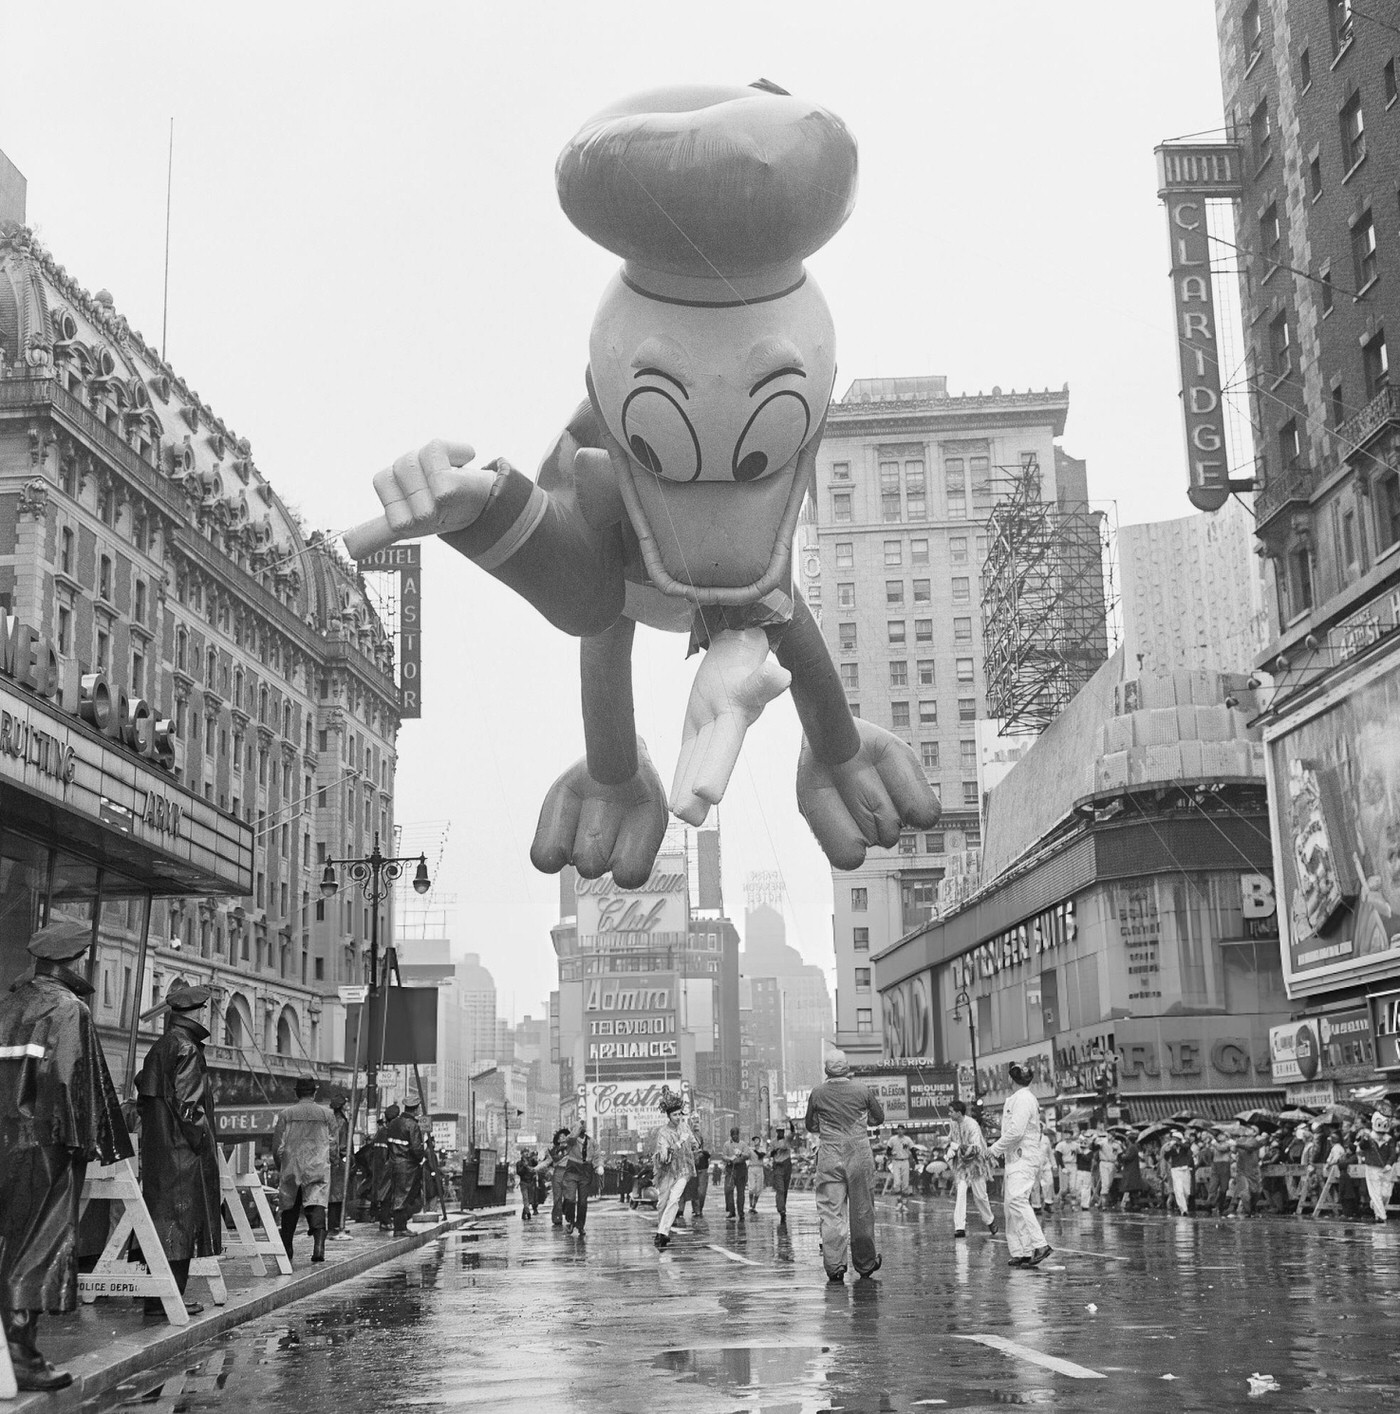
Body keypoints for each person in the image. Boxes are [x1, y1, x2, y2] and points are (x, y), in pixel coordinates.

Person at [0, 919, 132, 1392]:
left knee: (8, 1241)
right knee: (38, 1244)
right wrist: (81, 1140)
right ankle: (22, 1356)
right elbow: (64, 1078)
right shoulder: (67, 1007)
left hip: (4, 1140)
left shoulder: (8, 1003)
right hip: (43, 1144)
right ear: (74, 961)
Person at [136, 982, 221, 1319]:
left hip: (160, 1150)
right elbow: (190, 1106)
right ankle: (168, 1298)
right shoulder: (187, 1048)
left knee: (161, 1222)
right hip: (182, 1154)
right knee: (181, 1225)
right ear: (197, 1012)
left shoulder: (160, 1046)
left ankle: (157, 1297)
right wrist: (203, 1142)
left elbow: (145, 1087)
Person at [805, 1049, 884, 1283]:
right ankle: (866, 1264)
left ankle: (835, 1267)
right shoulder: (862, 1090)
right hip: (859, 1152)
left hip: (829, 1152)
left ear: (826, 1069)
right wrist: (862, 1123)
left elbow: (811, 1125)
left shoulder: (817, 1093)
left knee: (831, 1212)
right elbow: (878, 1118)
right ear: (847, 1068)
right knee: (862, 1210)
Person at [988, 1063, 1052, 1268]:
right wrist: (997, 1126)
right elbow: (1014, 1127)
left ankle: (1039, 1244)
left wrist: (994, 1149)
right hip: (1016, 1157)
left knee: (1017, 1200)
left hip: (1023, 1156)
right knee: (1010, 1206)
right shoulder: (1021, 1098)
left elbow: (1016, 1132)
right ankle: (1021, 1251)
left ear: (1010, 1079)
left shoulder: (1023, 1098)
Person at [273, 1076, 337, 1265]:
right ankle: (318, 1246)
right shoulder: (327, 1115)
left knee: (289, 1208)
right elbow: (333, 1144)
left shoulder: (286, 1114)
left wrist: (282, 1167)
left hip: (292, 1166)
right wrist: (331, 1161)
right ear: (314, 1092)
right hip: (317, 1166)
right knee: (317, 1204)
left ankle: (287, 1248)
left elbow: (277, 1146)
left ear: (297, 1092)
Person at [652, 1089, 699, 1250]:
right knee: (662, 1203)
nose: (678, 1118)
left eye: (680, 1114)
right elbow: (664, 1156)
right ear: (669, 1116)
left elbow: (695, 1144)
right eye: (675, 1115)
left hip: (684, 1169)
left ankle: (662, 1233)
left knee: (674, 1199)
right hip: (667, 1171)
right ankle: (663, 1230)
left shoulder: (685, 1127)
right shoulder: (663, 1133)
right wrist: (678, 1143)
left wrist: (694, 1136)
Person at [949, 1099, 997, 1239]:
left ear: (958, 1113)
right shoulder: (952, 1123)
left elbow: (976, 1148)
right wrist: (951, 1148)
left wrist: (959, 1147)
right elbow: (951, 1139)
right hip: (961, 1164)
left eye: (951, 1111)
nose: (949, 1114)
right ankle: (959, 1227)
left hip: (976, 1163)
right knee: (961, 1192)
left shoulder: (972, 1125)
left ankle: (990, 1220)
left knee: (980, 1195)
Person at [384, 1098, 426, 1233]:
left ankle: (399, 1226)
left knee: (397, 1194)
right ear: (415, 1109)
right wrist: (420, 1157)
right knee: (404, 1196)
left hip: (394, 1163)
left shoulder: (393, 1123)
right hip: (407, 1166)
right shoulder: (412, 1125)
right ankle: (400, 1228)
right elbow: (416, 1148)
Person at [1358, 1113, 1394, 1222]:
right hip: (1372, 1167)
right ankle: (1382, 1216)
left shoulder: (1389, 1139)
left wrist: (1389, 1163)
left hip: (1386, 1169)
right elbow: (1362, 1147)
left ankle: (1375, 1205)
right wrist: (1364, 1139)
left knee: (1386, 1194)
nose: (1380, 1134)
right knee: (1376, 1193)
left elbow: (1392, 1153)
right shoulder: (1369, 1137)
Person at [560, 1121, 591, 1236]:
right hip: (572, 1172)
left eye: (583, 1126)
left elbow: (597, 1155)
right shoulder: (571, 1140)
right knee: (570, 1199)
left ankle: (581, 1225)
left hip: (585, 1174)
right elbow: (572, 1136)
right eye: (580, 1127)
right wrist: (578, 1125)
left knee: (583, 1202)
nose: (583, 1127)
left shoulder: (591, 1141)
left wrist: (599, 1166)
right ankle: (571, 1221)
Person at [326, 1091, 351, 1237]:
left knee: (337, 1194)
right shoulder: (340, 1122)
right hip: (338, 1161)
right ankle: (334, 1225)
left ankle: (336, 1224)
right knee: (337, 1195)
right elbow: (340, 1143)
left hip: (335, 1160)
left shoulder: (334, 1120)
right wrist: (344, 1158)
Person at [1231, 1125, 1266, 1218]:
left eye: (1251, 1129)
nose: (1247, 1130)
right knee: (1245, 1192)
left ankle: (1253, 1209)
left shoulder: (1258, 1140)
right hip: (1242, 1170)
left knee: (1256, 1192)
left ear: (1255, 1132)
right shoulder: (1239, 1140)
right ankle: (1248, 1212)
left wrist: (1237, 1144)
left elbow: (1250, 1147)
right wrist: (1232, 1144)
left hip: (1254, 1171)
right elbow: (1233, 1151)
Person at [722, 1128, 753, 1222]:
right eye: (733, 1134)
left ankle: (741, 1212)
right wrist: (729, 1159)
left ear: (739, 1135)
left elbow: (748, 1155)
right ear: (731, 1135)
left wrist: (741, 1154)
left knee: (741, 1192)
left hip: (741, 1169)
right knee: (728, 1190)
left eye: (736, 1134)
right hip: (730, 1169)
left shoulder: (743, 1144)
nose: (735, 1136)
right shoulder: (727, 1144)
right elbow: (723, 1156)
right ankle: (731, 1211)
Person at [1162, 1127, 1194, 1216]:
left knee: (1186, 1191)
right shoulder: (1170, 1148)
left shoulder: (1185, 1145)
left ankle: (1185, 1205)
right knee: (1178, 1190)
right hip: (1176, 1170)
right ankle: (1183, 1210)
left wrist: (1178, 1143)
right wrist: (1169, 1148)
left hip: (1185, 1169)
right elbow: (1166, 1157)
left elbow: (1186, 1146)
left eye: (1174, 1139)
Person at [886, 1125, 914, 1208]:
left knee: (905, 1182)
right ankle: (898, 1200)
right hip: (896, 1161)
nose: (900, 1131)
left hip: (905, 1160)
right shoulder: (892, 1139)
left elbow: (912, 1150)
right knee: (897, 1181)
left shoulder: (907, 1140)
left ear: (904, 1130)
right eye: (898, 1129)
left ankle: (904, 1202)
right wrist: (891, 1154)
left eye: (902, 1129)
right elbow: (888, 1151)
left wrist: (915, 1161)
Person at [769, 1127, 794, 1222]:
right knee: (780, 1189)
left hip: (787, 1165)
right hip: (778, 1166)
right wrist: (777, 1149)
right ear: (777, 1132)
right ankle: (781, 1209)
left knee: (785, 1189)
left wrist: (791, 1123)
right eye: (779, 1131)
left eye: (782, 1131)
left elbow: (793, 1132)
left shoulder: (787, 1139)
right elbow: (770, 1154)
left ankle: (783, 1206)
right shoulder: (773, 1142)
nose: (781, 1133)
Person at [547, 1127, 570, 1227]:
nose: (563, 1138)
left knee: (569, 1197)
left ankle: (568, 1213)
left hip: (569, 1173)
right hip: (558, 1173)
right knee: (557, 1197)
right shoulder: (554, 1150)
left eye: (565, 1136)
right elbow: (548, 1162)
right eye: (560, 1136)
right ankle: (557, 1218)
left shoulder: (572, 1148)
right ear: (557, 1139)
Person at [1030, 1126, 1056, 1214]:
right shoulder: (1030, 1138)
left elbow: (1050, 1153)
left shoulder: (1046, 1139)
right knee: (1035, 1186)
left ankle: (1048, 1203)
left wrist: (1054, 1164)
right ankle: (1036, 1206)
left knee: (1049, 1182)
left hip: (1045, 1164)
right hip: (1034, 1165)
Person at [748, 1134, 767, 1214]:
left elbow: (761, 1156)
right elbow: (746, 1156)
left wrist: (754, 1150)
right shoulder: (749, 1150)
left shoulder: (762, 1149)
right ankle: (750, 1204)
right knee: (752, 1188)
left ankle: (754, 1206)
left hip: (759, 1168)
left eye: (757, 1140)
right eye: (754, 1140)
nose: (755, 1141)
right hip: (752, 1168)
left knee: (758, 1189)